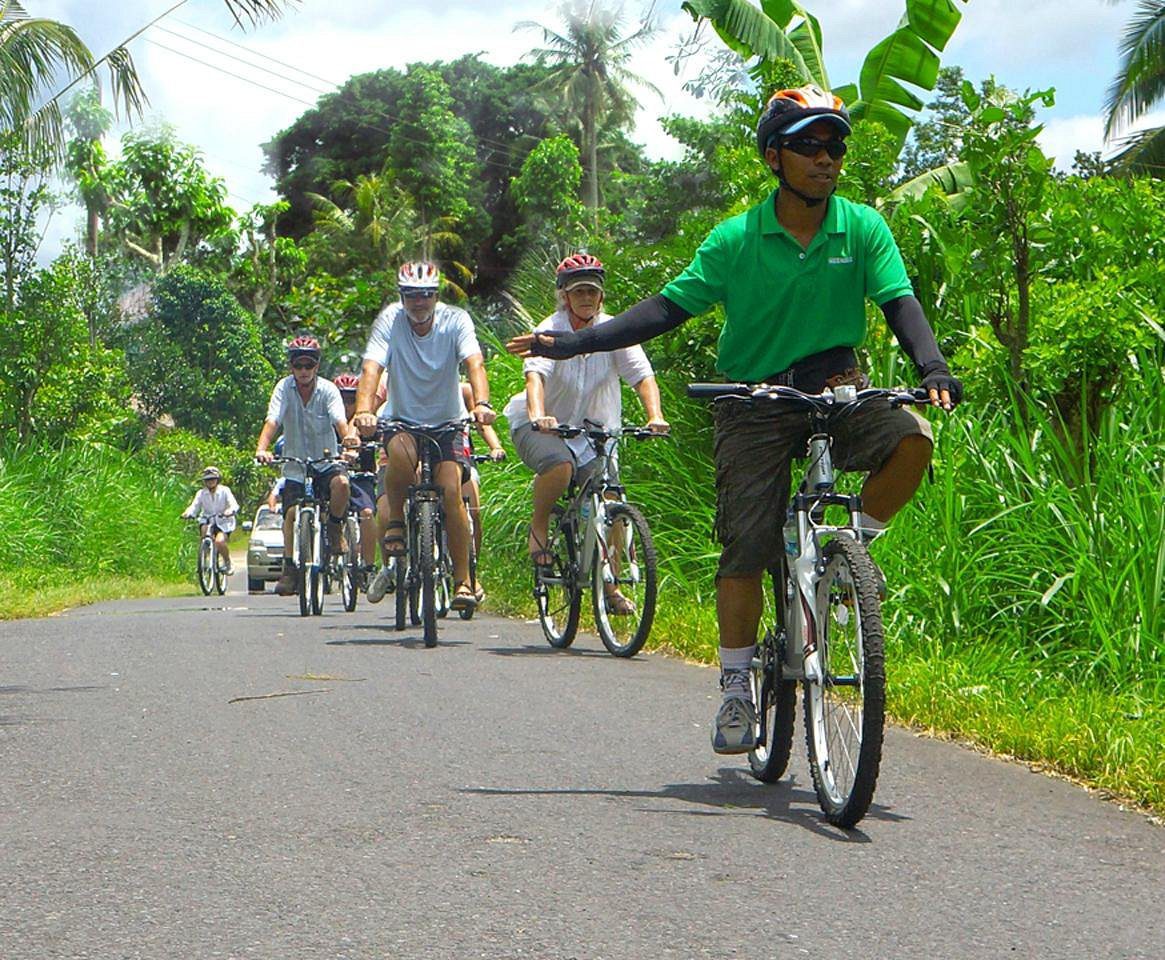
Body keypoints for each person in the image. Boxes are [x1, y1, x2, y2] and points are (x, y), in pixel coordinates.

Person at [507, 85, 963, 754]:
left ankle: (851, 553)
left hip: (837, 388)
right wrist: (571, 342)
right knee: (745, 547)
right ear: (774, 156)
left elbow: (899, 303)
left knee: (911, 439)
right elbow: (663, 311)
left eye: (834, 144)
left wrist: (932, 368)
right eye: (809, 145)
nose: (826, 157)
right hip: (751, 400)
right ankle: (734, 686)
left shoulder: (861, 227)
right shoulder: (736, 240)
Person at [502, 253, 669, 615]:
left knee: (611, 498)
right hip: (544, 427)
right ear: (564, 296)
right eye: (578, 291)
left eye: (592, 291)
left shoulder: (614, 332)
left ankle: (610, 585)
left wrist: (655, 416)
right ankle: (541, 522)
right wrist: (538, 415)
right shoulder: (550, 330)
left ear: (601, 297)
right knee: (560, 467)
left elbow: (642, 376)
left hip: (595, 431)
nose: (586, 298)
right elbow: (536, 378)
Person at [353, 261, 496, 612]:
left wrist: (481, 403)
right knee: (400, 455)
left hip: (447, 422)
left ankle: (464, 580)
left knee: (450, 492)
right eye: (411, 296)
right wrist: (363, 410)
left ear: (436, 297)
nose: (419, 303)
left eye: (426, 296)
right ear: (402, 297)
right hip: (403, 419)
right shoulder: (390, 320)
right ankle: (398, 520)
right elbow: (372, 368)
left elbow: (474, 363)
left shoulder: (456, 320)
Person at [255, 335, 358, 596]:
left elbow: (340, 421)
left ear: (316, 366)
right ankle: (290, 567)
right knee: (290, 514)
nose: (303, 371)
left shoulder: (328, 390)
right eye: (298, 365)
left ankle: (335, 528)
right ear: (291, 366)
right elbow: (273, 420)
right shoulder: (283, 388)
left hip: (326, 462)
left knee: (342, 484)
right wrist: (262, 448)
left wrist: (348, 445)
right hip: (295, 464)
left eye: (308, 366)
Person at [460, 381, 506, 603]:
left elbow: (481, 423)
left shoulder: (464, 390)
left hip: (463, 458)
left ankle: (472, 572)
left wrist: (495, 446)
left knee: (474, 512)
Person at [334, 372, 381, 574]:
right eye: (341, 399)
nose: (346, 406)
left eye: (351, 399)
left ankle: (369, 566)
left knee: (368, 514)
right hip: (335, 477)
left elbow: (384, 447)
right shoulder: (327, 421)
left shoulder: (369, 424)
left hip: (362, 478)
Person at [180, 466, 239, 575]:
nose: (210, 482)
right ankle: (204, 559)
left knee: (219, 542)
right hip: (207, 519)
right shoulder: (201, 493)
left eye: (212, 479)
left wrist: (229, 511)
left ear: (217, 479)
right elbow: (194, 506)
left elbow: (234, 505)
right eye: (207, 480)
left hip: (223, 522)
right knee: (204, 531)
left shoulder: (225, 491)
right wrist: (188, 513)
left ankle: (228, 562)